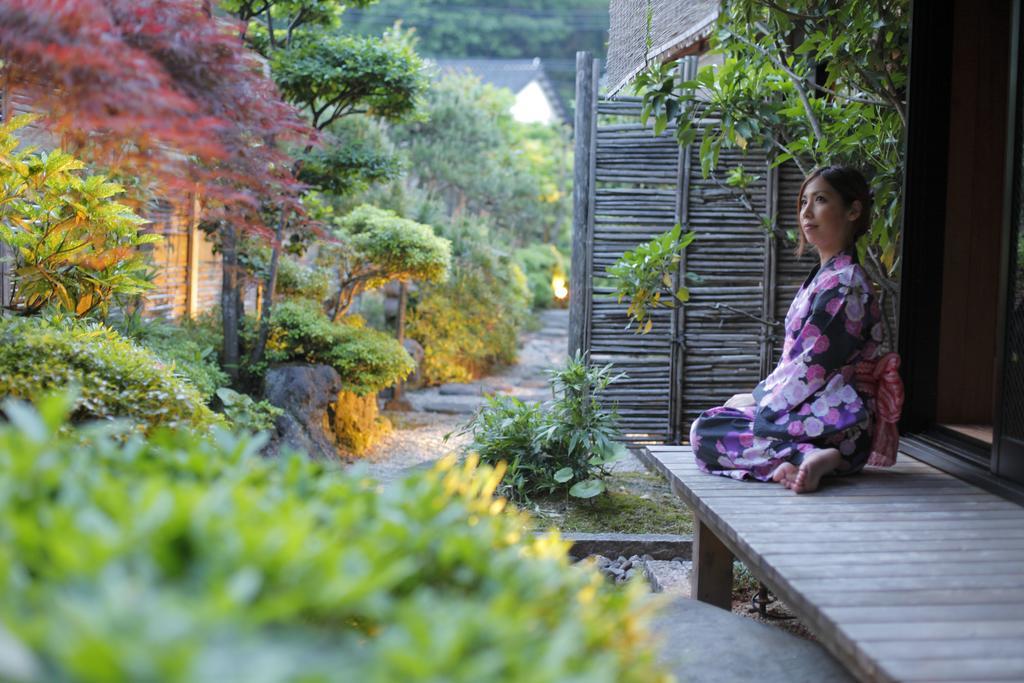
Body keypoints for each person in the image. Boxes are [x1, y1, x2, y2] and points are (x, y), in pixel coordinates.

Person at [689, 166, 885, 493]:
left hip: (839, 420)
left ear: (853, 210)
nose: (806, 212)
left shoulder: (845, 284)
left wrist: (759, 398)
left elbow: (812, 365)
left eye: (820, 200)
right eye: (803, 202)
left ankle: (801, 455)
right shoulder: (829, 278)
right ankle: (801, 458)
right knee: (717, 422)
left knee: (706, 429)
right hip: (823, 421)